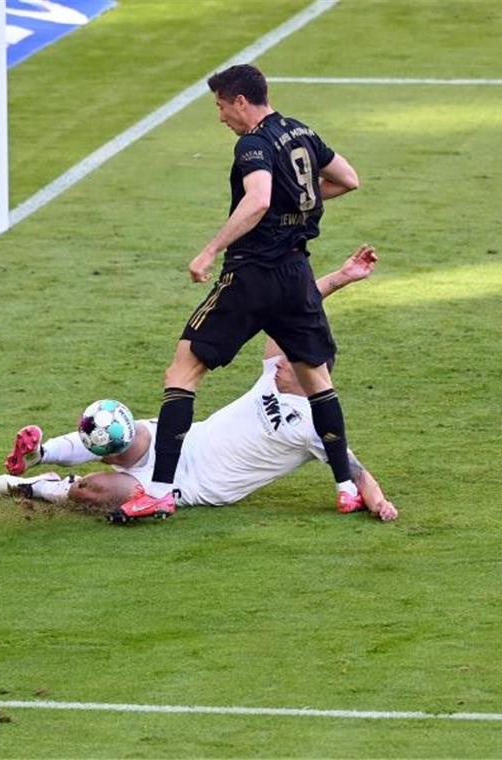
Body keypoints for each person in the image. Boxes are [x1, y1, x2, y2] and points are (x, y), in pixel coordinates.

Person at [0, 247, 398, 523]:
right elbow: (296, 307)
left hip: (188, 487)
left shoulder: (317, 425)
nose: (277, 359)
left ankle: (41, 489)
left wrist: (380, 505)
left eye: (288, 358)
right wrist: (343, 277)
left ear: (313, 370)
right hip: (179, 444)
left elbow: (358, 473)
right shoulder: (274, 377)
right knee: (118, 429)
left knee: (95, 491)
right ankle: (40, 454)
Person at [119, 63, 364, 522]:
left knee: (183, 369)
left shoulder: (252, 144)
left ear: (240, 101)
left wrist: (209, 250)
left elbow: (259, 199)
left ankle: (158, 490)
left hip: (252, 276)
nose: (220, 118)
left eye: (220, 106)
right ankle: (347, 488)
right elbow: (348, 179)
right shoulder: (302, 132)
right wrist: (300, 200)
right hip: (296, 275)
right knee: (317, 382)